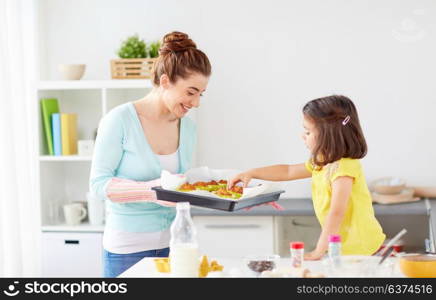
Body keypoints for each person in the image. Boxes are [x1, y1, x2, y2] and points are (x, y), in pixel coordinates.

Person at [89, 31, 211, 277]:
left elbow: (182, 183)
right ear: (165, 81)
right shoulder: (119, 120)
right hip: (126, 250)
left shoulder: (188, 128)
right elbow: (99, 184)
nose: (196, 103)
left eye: (200, 94)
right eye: (191, 92)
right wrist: (154, 192)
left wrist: (235, 191)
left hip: (174, 247)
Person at [228, 95, 386, 260]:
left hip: (360, 246)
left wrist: (319, 250)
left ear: (328, 134)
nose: (303, 136)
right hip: (341, 244)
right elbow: (287, 171)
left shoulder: (344, 168)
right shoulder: (322, 163)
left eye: (308, 131)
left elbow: (336, 212)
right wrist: (251, 173)